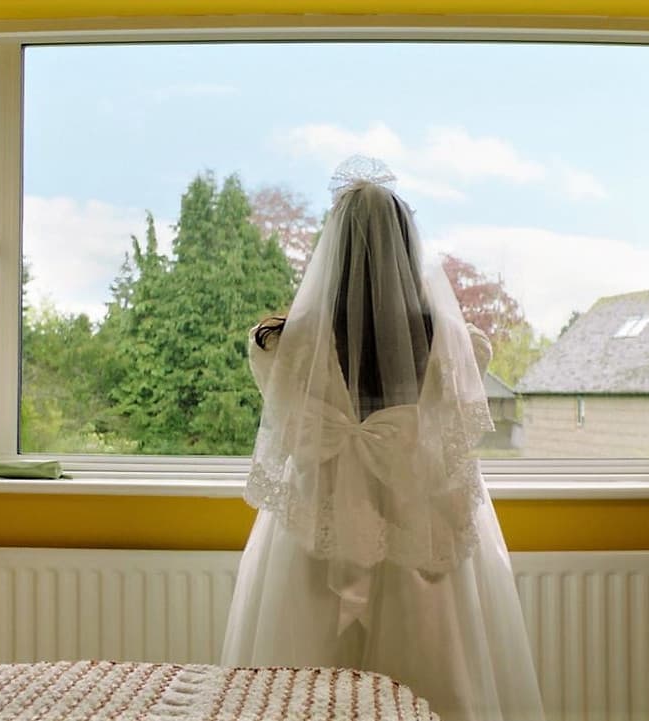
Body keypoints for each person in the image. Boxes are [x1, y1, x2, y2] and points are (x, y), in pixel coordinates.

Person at [221, 157, 545, 721]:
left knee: (297, 690)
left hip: (318, 534)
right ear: (406, 245)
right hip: (418, 530)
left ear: (334, 248)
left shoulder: (280, 345)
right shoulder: (457, 344)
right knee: (435, 681)